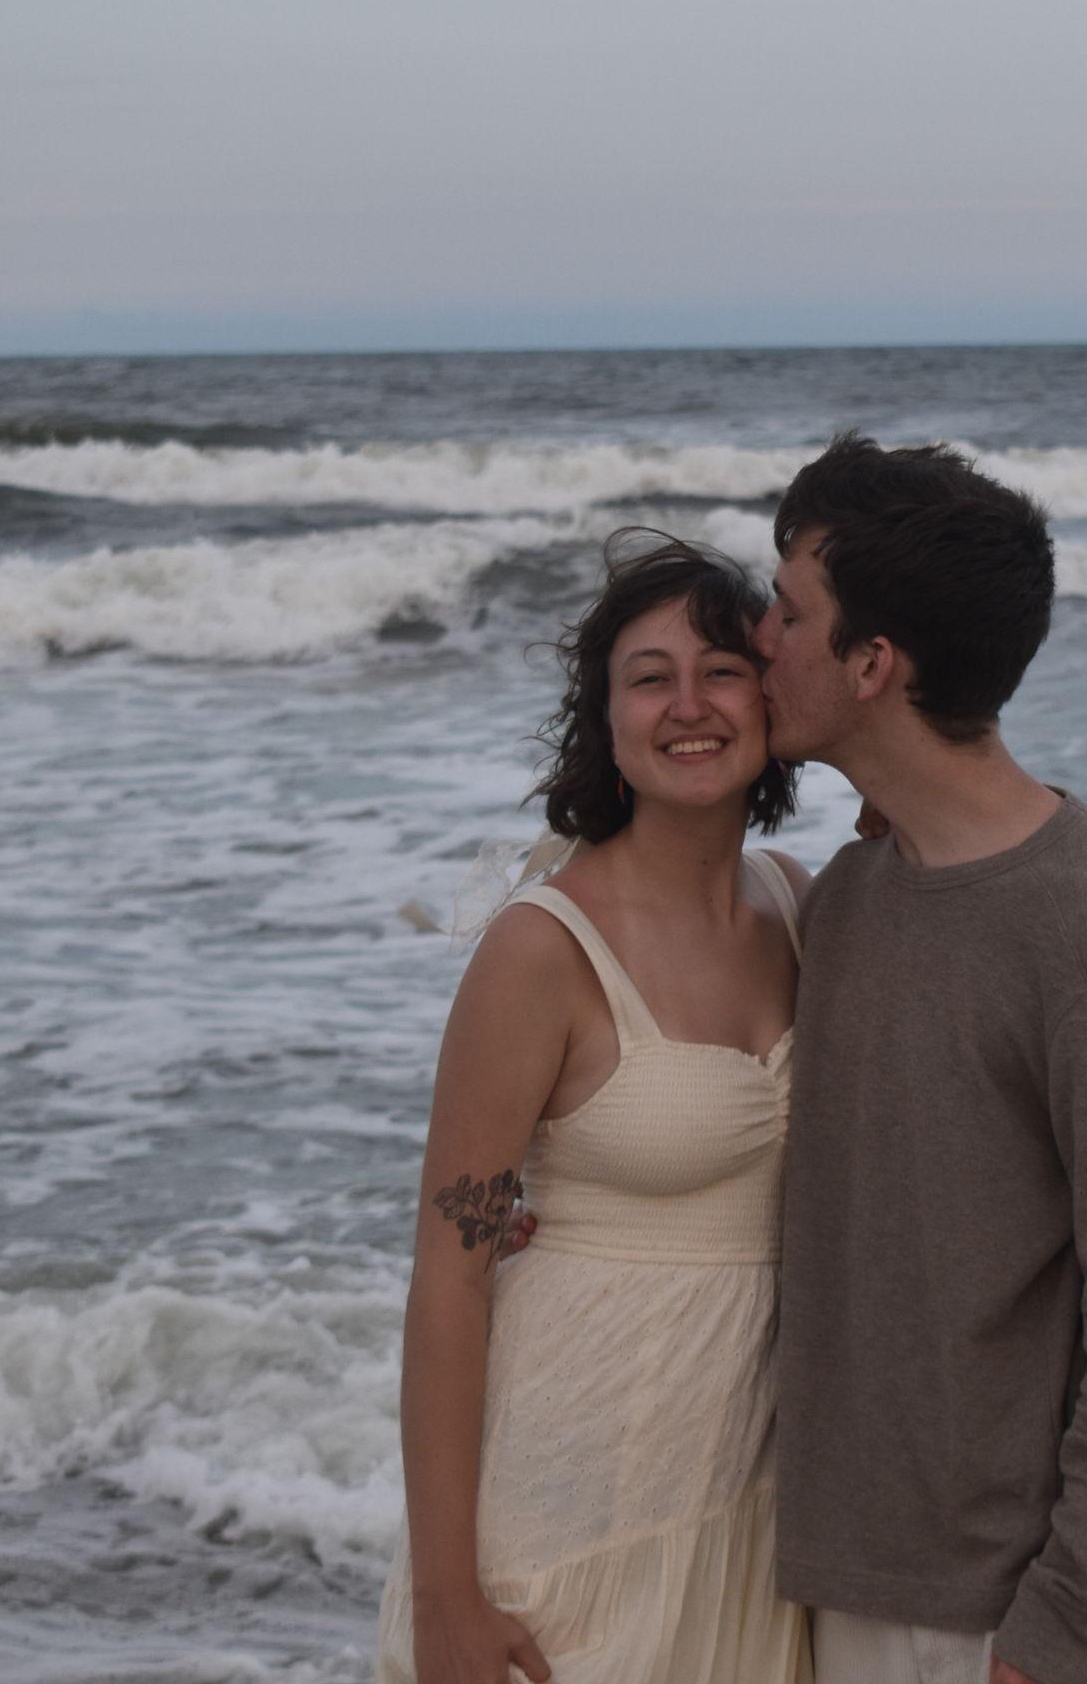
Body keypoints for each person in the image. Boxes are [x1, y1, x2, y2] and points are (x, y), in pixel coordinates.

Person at [754, 434, 1087, 1684]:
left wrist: (1064, 1617)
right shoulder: (855, 894)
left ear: (870, 663)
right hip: (861, 1585)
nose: (759, 637)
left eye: (786, 609)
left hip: (1040, 1618)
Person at [375, 532, 814, 1684]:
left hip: (749, 1520)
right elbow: (449, 1275)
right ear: (605, 721)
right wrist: (445, 1596)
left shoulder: (799, 905)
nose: (688, 704)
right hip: (568, 1513)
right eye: (647, 675)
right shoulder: (541, 948)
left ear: (768, 697)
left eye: (720, 668)